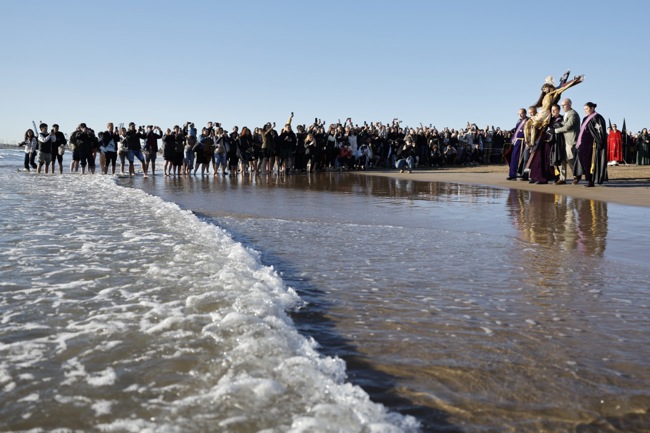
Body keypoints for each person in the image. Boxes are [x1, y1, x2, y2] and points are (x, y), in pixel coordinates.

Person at [524, 74, 584, 148]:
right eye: (543, 89)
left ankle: (532, 143)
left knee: (533, 126)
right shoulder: (545, 96)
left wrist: (573, 81)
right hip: (540, 113)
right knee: (527, 124)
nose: (544, 90)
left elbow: (563, 87)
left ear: (549, 87)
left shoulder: (554, 93)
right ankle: (527, 141)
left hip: (545, 114)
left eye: (545, 88)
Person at [575, 102, 608, 187]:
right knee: (583, 161)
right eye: (584, 109)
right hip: (583, 143)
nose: (585, 111)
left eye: (587, 109)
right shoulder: (585, 118)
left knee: (590, 162)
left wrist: (599, 142)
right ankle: (586, 178)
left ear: (592, 108)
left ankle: (590, 180)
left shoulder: (598, 117)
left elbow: (599, 132)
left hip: (591, 144)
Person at [553, 98, 581, 184]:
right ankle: (562, 178)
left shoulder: (573, 114)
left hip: (571, 140)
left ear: (570, 104)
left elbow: (567, 127)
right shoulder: (566, 114)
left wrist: (555, 130)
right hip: (563, 140)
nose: (563, 107)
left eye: (564, 105)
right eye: (562, 105)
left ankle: (576, 175)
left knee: (570, 158)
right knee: (562, 159)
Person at [506, 108, 528, 180]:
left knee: (523, 159)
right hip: (517, 141)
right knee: (514, 157)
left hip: (523, 142)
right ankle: (512, 174)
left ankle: (523, 174)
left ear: (525, 113)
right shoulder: (518, 122)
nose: (520, 115)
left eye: (521, 113)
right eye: (519, 114)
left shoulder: (527, 121)